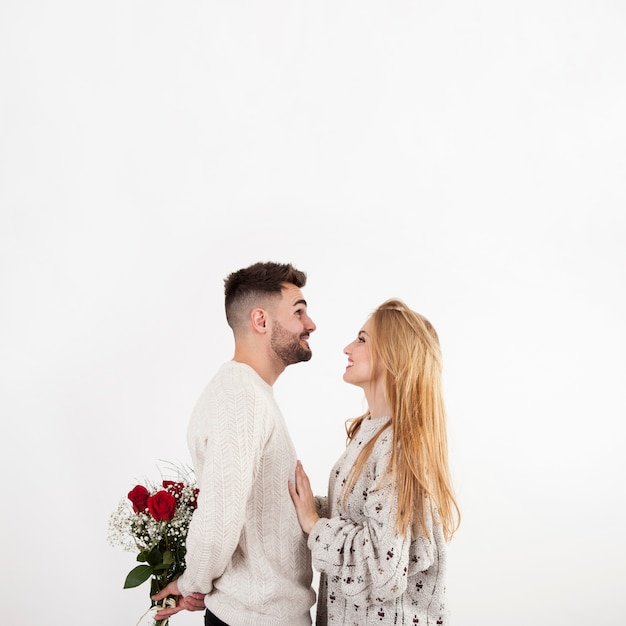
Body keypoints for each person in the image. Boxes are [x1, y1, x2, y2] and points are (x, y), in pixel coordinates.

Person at [153, 261, 317, 626]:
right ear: (261, 321)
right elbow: (219, 516)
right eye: (299, 311)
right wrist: (193, 582)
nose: (310, 324)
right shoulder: (240, 398)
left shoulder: (249, 393)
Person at [289, 298, 460, 625]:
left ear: (393, 355)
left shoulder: (398, 445)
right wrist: (309, 506)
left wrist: (314, 523)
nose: (347, 348)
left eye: (362, 339)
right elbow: (366, 519)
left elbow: (384, 568)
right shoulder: (372, 431)